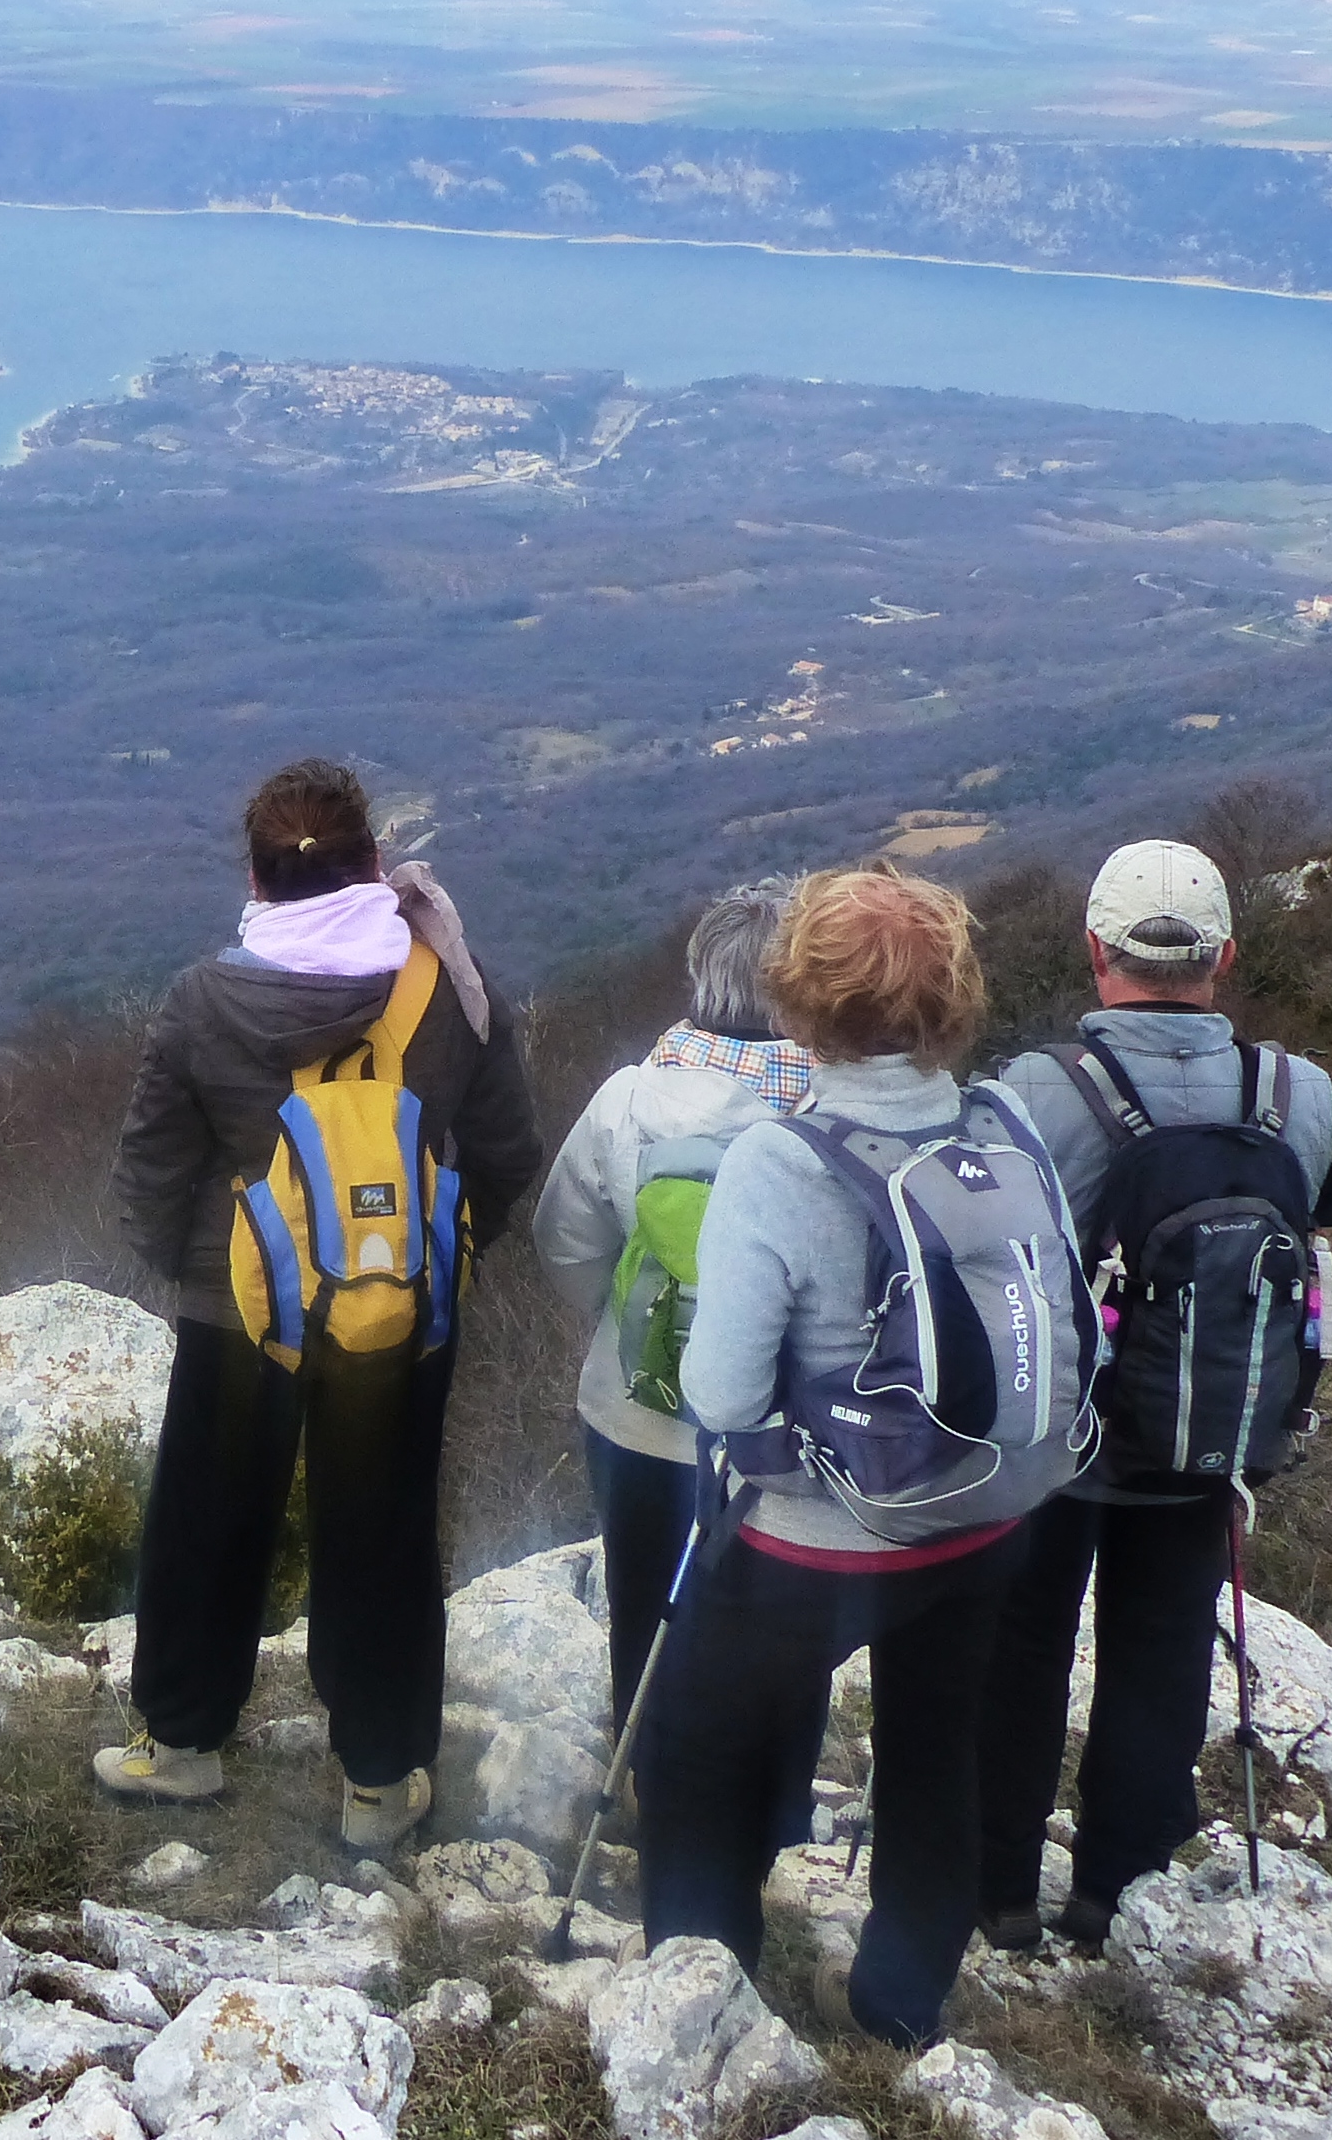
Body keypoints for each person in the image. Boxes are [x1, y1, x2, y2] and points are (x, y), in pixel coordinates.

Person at [102, 758, 543, 1851]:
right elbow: (507, 1151)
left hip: (238, 1307)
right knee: (384, 1527)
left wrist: (187, 1267)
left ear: (256, 877)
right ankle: (381, 1781)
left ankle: (184, 1744)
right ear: (374, 862)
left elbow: (151, 1171)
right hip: (399, 1306)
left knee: (210, 1515)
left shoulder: (208, 1000)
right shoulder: (446, 981)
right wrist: (443, 1250)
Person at [637, 864, 1031, 2046]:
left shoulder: (781, 1159)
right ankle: (898, 2006)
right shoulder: (1003, 1124)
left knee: (695, 1748)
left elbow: (718, 1388)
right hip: (980, 1517)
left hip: (814, 1538)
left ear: (800, 996)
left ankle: (707, 2009)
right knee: (935, 1752)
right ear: (952, 1001)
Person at [974, 839, 1332, 1949]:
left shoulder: (1036, 1094)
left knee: (1022, 1651)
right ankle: (1118, 1889)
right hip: (1211, 1428)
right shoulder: (1300, 1092)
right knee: (1161, 1656)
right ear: (1225, 957)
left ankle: (998, 1889)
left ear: (1096, 953)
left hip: (1054, 1439)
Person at [532, 882, 808, 1734]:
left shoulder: (628, 1100)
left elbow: (564, 1240)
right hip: (782, 1432)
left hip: (636, 1412)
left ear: (698, 976)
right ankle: (757, 1817)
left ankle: (644, 1779)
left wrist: (624, 1327)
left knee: (643, 1603)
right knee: (772, 1624)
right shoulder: (826, 1111)